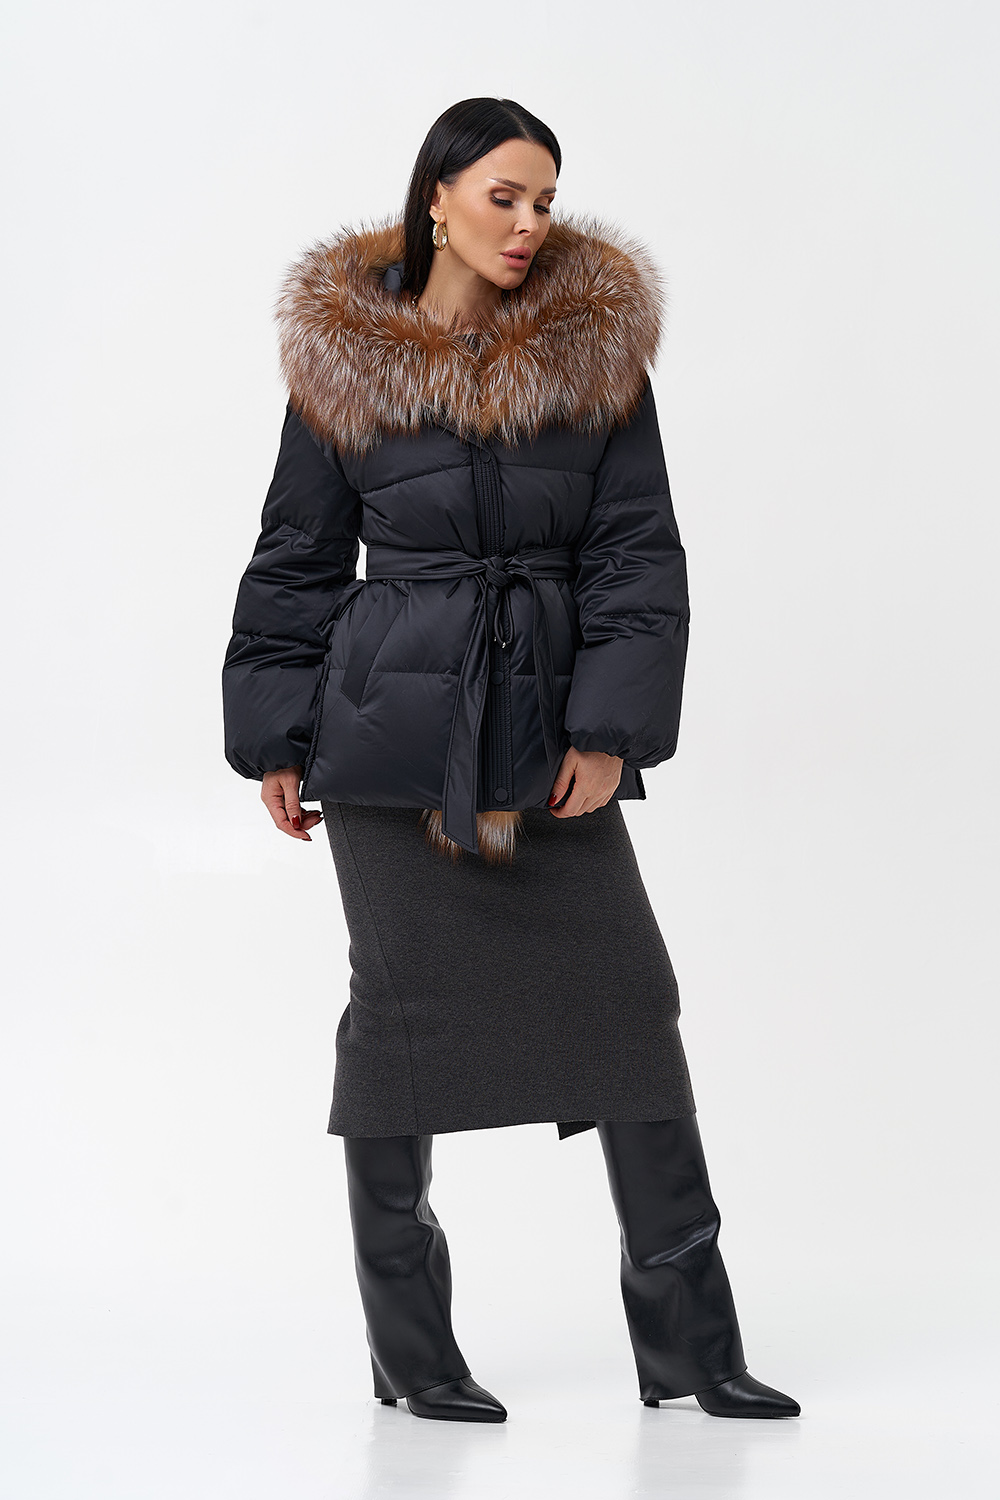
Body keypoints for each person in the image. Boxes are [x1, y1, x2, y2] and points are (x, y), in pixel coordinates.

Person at [222, 97, 800, 1425]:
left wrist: (607, 728)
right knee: (402, 1026)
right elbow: (296, 560)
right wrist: (276, 734)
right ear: (437, 200)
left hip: (541, 729)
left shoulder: (599, 358)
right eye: (505, 196)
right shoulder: (343, 363)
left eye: (546, 199)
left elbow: (637, 556)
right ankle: (412, 1353)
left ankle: (691, 1348)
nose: (532, 223)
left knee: (631, 1007)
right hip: (387, 735)